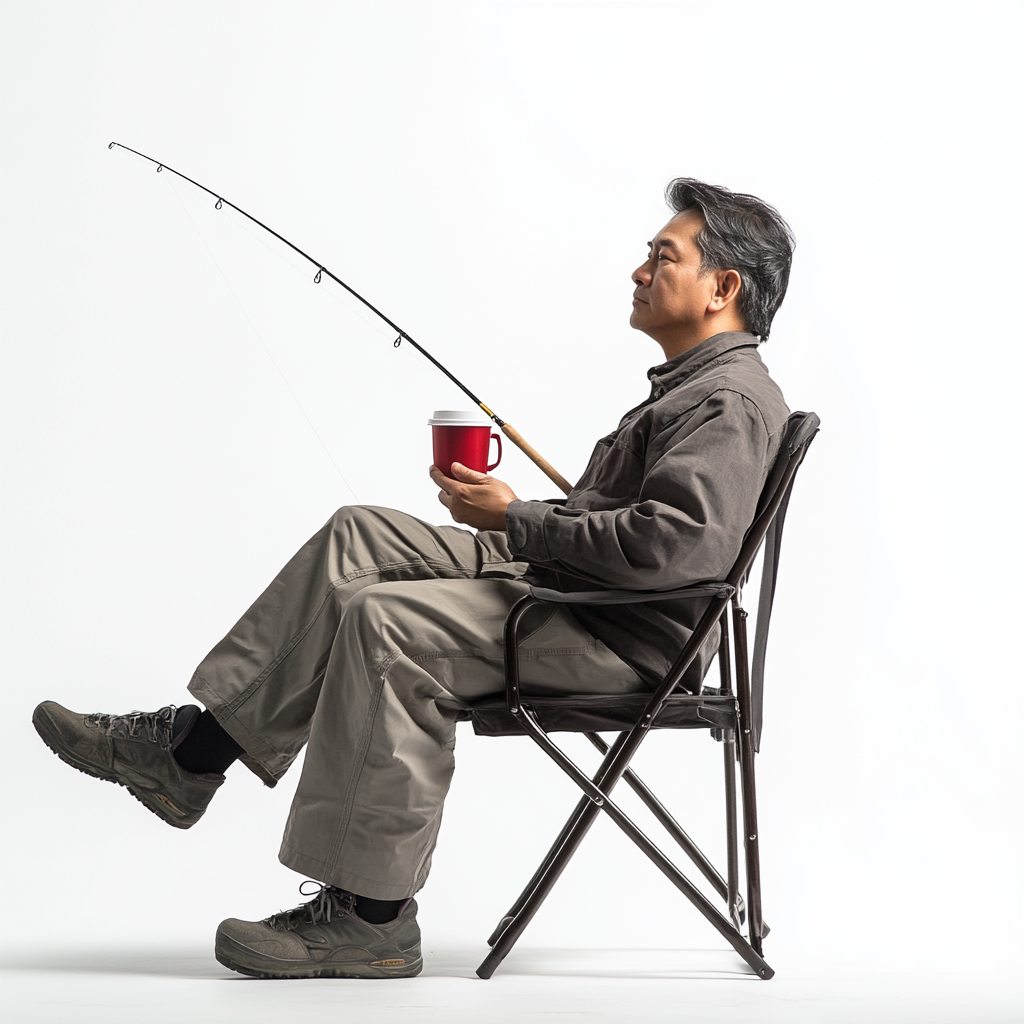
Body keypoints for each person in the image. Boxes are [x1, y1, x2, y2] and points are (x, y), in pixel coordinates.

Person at [33, 178, 794, 979]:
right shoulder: (695, 388)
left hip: (622, 639)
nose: (639, 271)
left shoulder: (730, 403)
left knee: (387, 624)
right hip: (580, 591)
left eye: (661, 257)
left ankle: (371, 918)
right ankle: (191, 755)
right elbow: (646, 529)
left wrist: (519, 521)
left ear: (724, 288)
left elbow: (680, 552)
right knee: (356, 536)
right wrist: (524, 515)